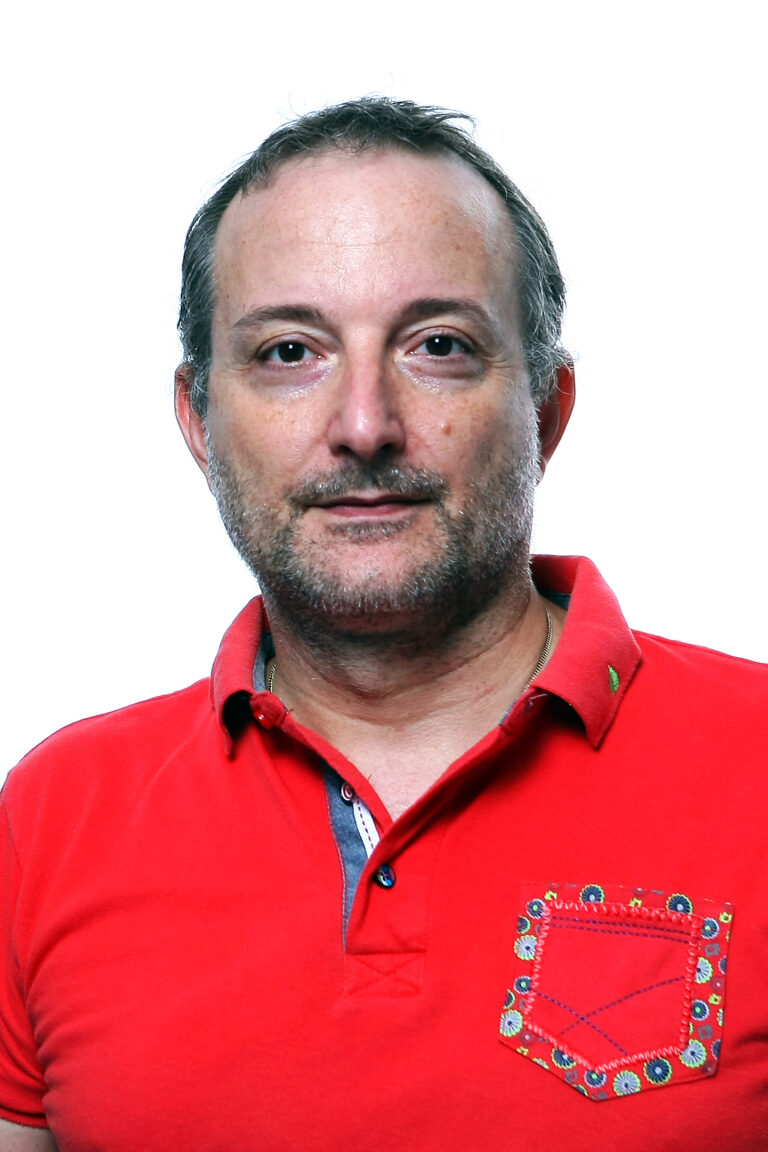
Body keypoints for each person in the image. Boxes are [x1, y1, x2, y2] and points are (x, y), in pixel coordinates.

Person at [1, 98, 766, 1152]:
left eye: (438, 345)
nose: (364, 425)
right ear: (199, 420)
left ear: (547, 410)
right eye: (289, 353)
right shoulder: (53, 817)